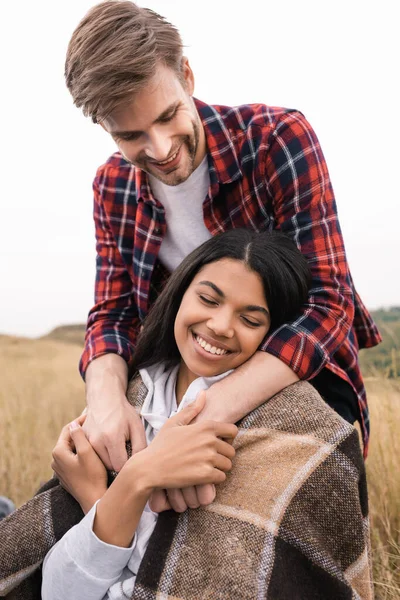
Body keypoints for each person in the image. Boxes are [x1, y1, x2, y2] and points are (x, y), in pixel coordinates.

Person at [65, 1, 381, 485]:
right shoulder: (111, 186)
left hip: (295, 374)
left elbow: (328, 304)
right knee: (81, 474)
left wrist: (203, 414)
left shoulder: (276, 139)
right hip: (180, 380)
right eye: (130, 135)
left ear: (186, 75)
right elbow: (114, 314)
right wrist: (105, 401)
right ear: (105, 128)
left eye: (168, 116)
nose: (161, 148)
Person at [37, 229, 370, 599]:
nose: (221, 325)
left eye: (251, 319)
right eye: (209, 299)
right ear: (180, 292)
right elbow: (56, 591)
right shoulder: (126, 402)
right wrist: (120, 490)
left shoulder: (301, 435)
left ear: (273, 335)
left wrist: (107, 497)